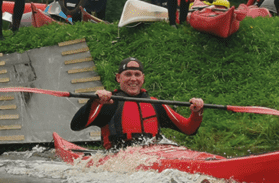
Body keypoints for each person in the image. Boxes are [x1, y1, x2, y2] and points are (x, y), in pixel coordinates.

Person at [70, 57, 204, 150]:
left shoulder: (156, 104)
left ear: (143, 78)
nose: (133, 79)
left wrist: (197, 112)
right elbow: (76, 125)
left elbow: (189, 129)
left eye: (137, 74)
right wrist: (94, 102)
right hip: (119, 159)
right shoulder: (109, 103)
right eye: (128, 74)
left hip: (153, 156)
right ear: (118, 78)